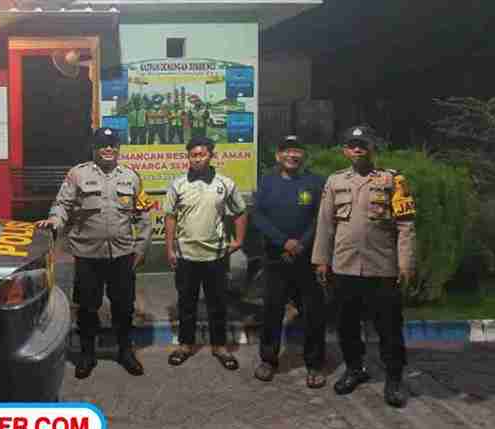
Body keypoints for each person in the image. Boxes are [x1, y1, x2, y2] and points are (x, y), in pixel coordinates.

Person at [311, 125, 416, 407]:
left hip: (382, 268)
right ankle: (354, 369)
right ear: (345, 151)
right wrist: (321, 260)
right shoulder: (335, 181)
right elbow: (325, 224)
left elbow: (405, 226)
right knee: (346, 325)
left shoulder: (393, 180)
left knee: (389, 328)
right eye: (352, 145)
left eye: (363, 144)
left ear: (372, 148)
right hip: (345, 267)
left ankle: (394, 379)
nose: (357, 149)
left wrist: (405, 264)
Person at [36, 128, 152, 379]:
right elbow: (62, 204)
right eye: (102, 145)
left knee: (124, 306)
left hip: (122, 254)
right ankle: (87, 354)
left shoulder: (131, 177)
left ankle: (125, 351)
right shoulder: (78, 174)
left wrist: (141, 248)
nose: (108, 149)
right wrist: (55, 221)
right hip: (87, 254)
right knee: (88, 307)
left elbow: (143, 214)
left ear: (118, 148)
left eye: (112, 144)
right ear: (94, 148)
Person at [164, 136, 247, 370]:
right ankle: (185, 345)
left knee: (217, 304)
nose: (197, 159)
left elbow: (240, 211)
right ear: (188, 157)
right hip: (186, 256)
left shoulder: (225, 183)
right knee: (186, 304)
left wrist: (239, 240)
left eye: (202, 154)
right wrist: (169, 249)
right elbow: (170, 217)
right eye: (193, 155)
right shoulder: (178, 184)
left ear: (211, 156)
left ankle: (219, 346)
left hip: (216, 257)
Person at [251, 135, 328, 387]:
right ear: (278, 155)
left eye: (297, 151)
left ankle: (314, 364)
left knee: (313, 312)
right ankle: (268, 360)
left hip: (308, 258)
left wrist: (302, 243)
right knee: (272, 311)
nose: (292, 155)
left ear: (303, 155)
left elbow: (321, 217)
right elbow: (258, 215)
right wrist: (283, 241)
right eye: (286, 150)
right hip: (276, 258)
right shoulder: (267, 182)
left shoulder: (315, 182)